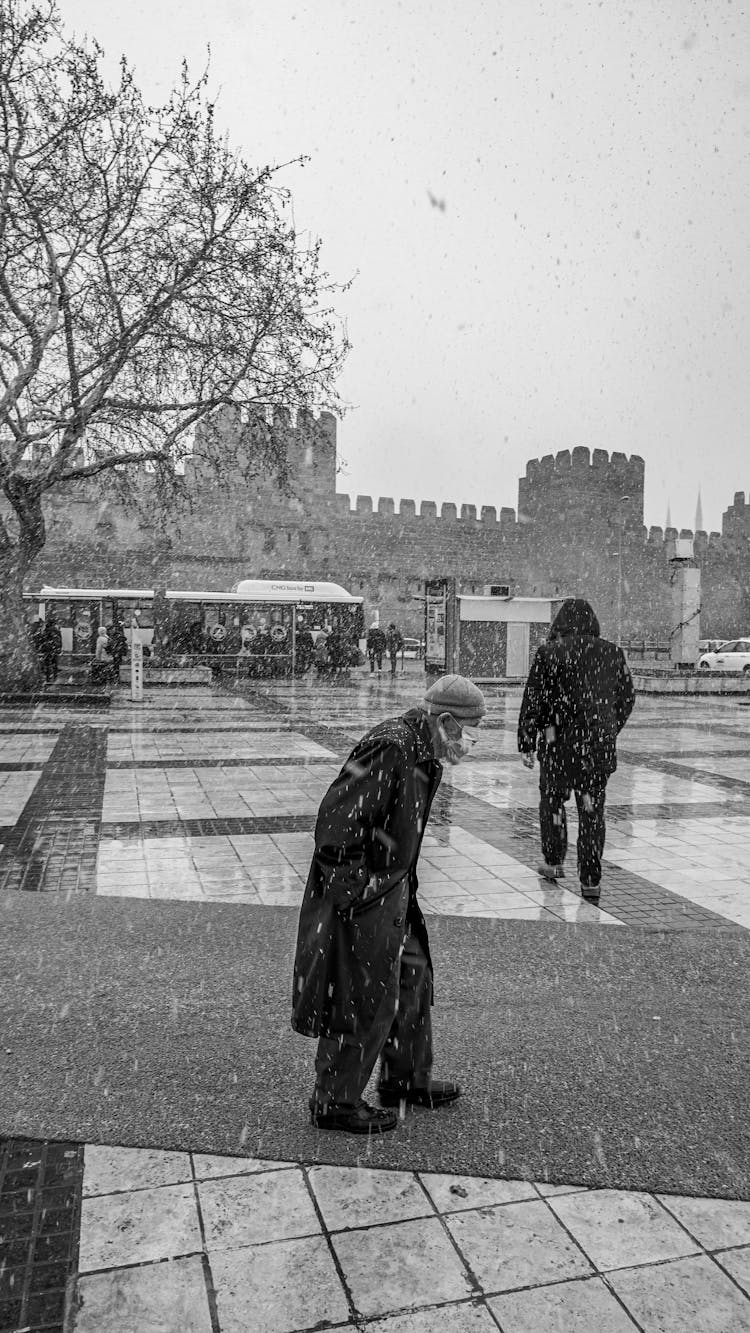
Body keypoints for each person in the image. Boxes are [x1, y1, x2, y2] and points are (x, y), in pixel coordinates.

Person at [292, 673, 486, 1134]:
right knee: (360, 991)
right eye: (468, 729)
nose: (472, 741)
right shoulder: (392, 747)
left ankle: (405, 1078)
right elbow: (338, 823)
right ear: (443, 721)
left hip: (394, 888)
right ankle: (334, 1101)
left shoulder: (425, 752)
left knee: (412, 976)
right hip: (366, 894)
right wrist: (355, 893)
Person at [517, 598, 635, 905]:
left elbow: (535, 700)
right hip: (596, 749)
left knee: (553, 803)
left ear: (561, 623)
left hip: (558, 746)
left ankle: (554, 862)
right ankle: (591, 880)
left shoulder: (550, 653)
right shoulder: (612, 652)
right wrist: (607, 729)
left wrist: (528, 740)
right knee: (592, 812)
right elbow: (627, 698)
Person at [40, 613, 62, 684]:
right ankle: (55, 678)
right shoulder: (56, 630)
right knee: (55, 664)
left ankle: (48, 678)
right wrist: (59, 648)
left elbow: (43, 640)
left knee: (47, 664)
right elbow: (60, 640)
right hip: (54, 649)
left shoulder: (46, 631)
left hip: (48, 650)